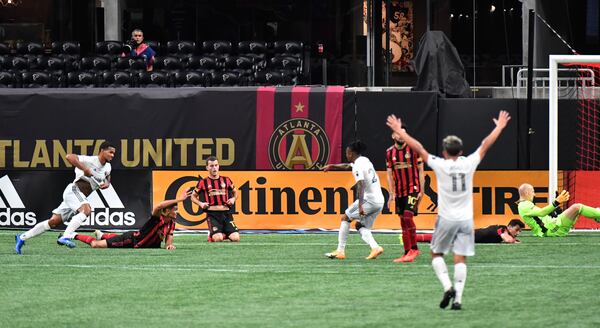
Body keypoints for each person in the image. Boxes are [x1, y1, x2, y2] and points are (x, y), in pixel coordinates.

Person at [387, 110, 510, 310]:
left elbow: (419, 148)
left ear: (444, 152)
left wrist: (400, 131)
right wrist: (499, 127)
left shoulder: (440, 164)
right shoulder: (469, 163)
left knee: (436, 254)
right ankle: (458, 299)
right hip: (465, 220)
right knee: (460, 259)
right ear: (461, 152)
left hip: (445, 219)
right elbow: (485, 145)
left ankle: (447, 287)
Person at [15, 141, 116, 254]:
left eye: (114, 153)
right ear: (102, 150)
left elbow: (108, 177)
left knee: (53, 222)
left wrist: (107, 184)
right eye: (110, 152)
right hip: (74, 190)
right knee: (86, 210)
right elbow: (69, 157)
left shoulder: (108, 166)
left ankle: (22, 237)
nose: (112, 155)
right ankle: (65, 236)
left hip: (78, 197)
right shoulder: (90, 160)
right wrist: (84, 169)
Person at [323, 141, 385, 260]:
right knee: (361, 226)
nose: (346, 155)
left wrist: (360, 205)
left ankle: (340, 251)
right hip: (379, 201)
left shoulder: (357, 165)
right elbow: (347, 166)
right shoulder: (364, 160)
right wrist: (332, 166)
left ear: (351, 153)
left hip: (369, 200)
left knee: (345, 217)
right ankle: (375, 248)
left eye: (347, 153)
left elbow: (360, 184)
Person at [73, 190, 191, 249]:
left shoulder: (171, 224)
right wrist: (179, 199)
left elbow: (168, 243)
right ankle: (74, 235)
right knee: (95, 245)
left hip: (139, 243)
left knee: (111, 238)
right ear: (166, 211)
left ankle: (102, 234)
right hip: (131, 240)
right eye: (174, 209)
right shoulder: (156, 218)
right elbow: (159, 206)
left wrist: (169, 246)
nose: (177, 212)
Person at [386, 129, 425, 263]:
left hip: (412, 189)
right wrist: (391, 193)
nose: (401, 136)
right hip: (400, 192)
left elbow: (421, 171)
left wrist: (422, 190)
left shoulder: (413, 149)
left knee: (408, 216)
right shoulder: (389, 152)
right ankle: (407, 253)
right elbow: (389, 174)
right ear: (393, 136)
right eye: (398, 133)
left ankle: (414, 249)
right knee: (403, 221)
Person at [517, 183, 600, 237]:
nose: (534, 194)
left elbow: (540, 217)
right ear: (527, 193)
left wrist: (555, 210)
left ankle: (597, 216)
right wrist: (556, 202)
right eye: (533, 191)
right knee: (577, 207)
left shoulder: (525, 205)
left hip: (552, 225)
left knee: (576, 210)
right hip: (551, 230)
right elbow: (542, 213)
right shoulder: (524, 205)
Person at [191, 156, 240, 242]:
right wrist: (201, 204)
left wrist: (233, 199)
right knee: (218, 239)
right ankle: (213, 235)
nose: (214, 168)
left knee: (236, 238)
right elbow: (193, 196)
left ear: (218, 166)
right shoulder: (203, 182)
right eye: (211, 166)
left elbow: (236, 191)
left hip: (226, 213)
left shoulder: (226, 180)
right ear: (207, 167)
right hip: (212, 214)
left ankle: (220, 233)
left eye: (216, 165)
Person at [414, 219, 525, 244]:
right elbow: (507, 240)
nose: (518, 233)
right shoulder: (503, 228)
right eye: (517, 230)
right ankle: (411, 238)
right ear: (509, 227)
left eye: (519, 231)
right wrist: (514, 241)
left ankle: (412, 238)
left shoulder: (504, 230)